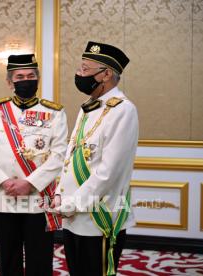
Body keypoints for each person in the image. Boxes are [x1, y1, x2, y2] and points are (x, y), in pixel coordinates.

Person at [0, 54, 68, 276]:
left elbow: (59, 154)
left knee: (40, 258)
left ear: (37, 79)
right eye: (20, 76)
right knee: (8, 258)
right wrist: (4, 181)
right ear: (10, 82)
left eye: (31, 76)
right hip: (3, 196)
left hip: (37, 196)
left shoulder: (54, 112)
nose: (26, 80)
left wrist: (30, 183)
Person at [53, 41, 138, 276]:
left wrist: (71, 204)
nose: (79, 74)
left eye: (85, 69)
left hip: (98, 218)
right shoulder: (89, 106)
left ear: (106, 74)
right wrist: (60, 195)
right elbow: (71, 157)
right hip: (73, 214)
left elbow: (109, 173)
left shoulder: (123, 110)